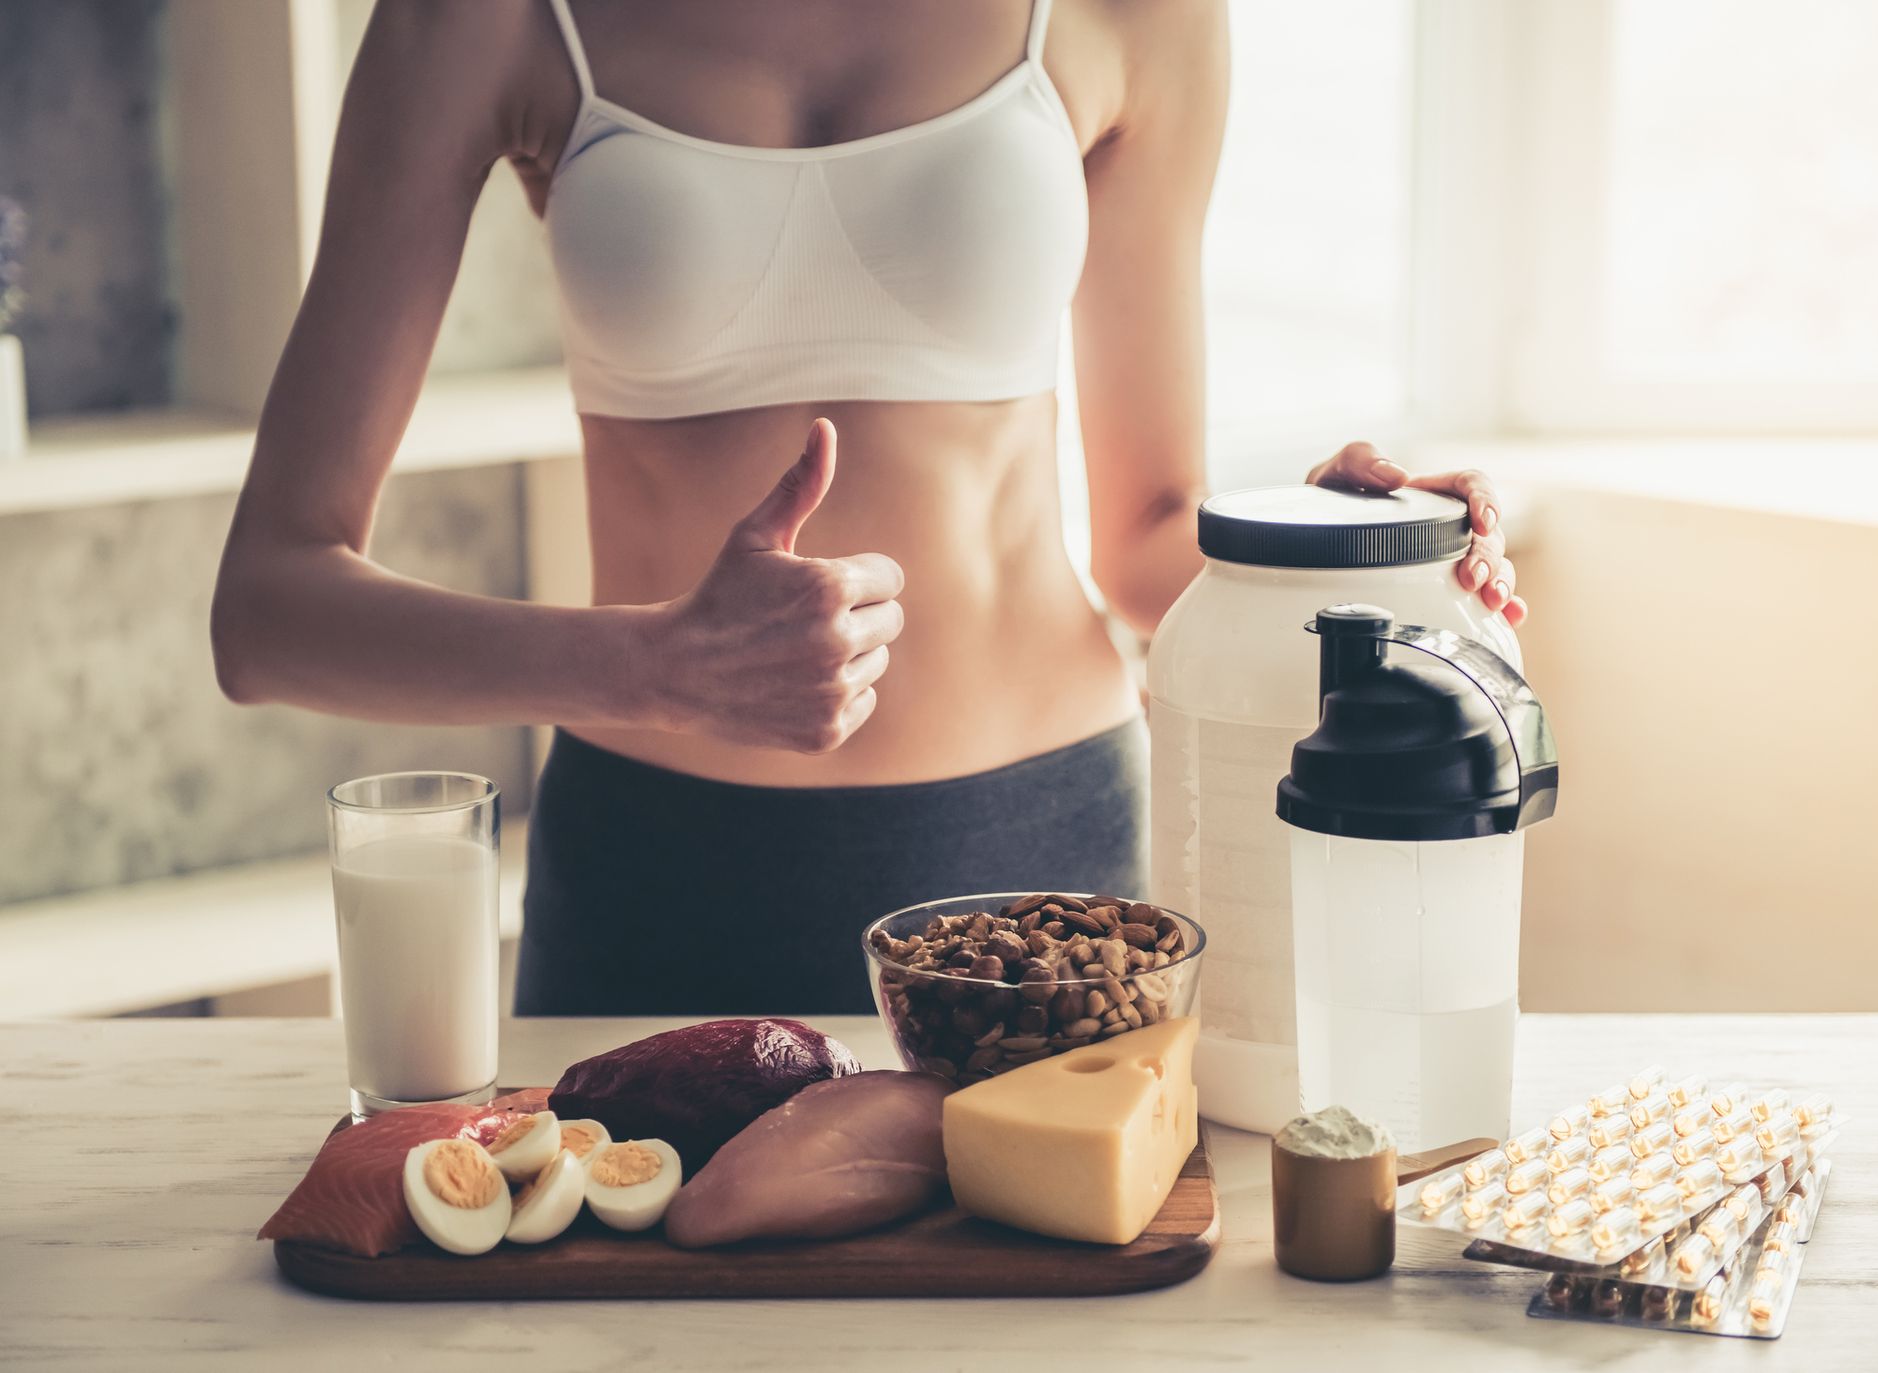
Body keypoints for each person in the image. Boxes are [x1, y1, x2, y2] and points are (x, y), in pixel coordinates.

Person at [212, 0, 1525, 1015]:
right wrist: (655, 667)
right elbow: (269, 609)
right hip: (660, 867)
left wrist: (1353, 556)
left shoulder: (1130, 11)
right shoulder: (486, 17)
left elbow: (1145, 542)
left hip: (1043, 849)